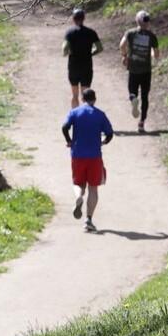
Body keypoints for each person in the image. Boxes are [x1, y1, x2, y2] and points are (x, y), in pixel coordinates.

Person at [61, 88, 113, 232]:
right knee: (93, 188)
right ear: (94, 99)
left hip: (77, 155)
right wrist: (103, 141)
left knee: (78, 183)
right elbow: (110, 134)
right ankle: (89, 219)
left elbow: (65, 127)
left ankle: (78, 197)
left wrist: (69, 140)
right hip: (94, 156)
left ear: (82, 99)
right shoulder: (100, 115)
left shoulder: (75, 112)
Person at [120, 10, 159, 133]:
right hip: (146, 70)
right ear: (148, 23)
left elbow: (122, 45)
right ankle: (141, 122)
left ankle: (133, 99)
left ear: (137, 21)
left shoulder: (130, 33)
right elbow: (156, 54)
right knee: (145, 96)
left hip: (133, 68)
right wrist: (152, 54)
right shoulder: (152, 36)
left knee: (132, 90)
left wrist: (125, 56)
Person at [62, 8, 103, 108]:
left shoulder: (70, 32)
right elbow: (100, 48)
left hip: (74, 66)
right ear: (84, 18)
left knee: (74, 95)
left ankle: (74, 116)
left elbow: (64, 48)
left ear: (73, 18)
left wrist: (67, 53)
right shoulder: (91, 32)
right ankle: (86, 116)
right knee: (85, 95)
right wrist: (91, 53)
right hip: (86, 65)